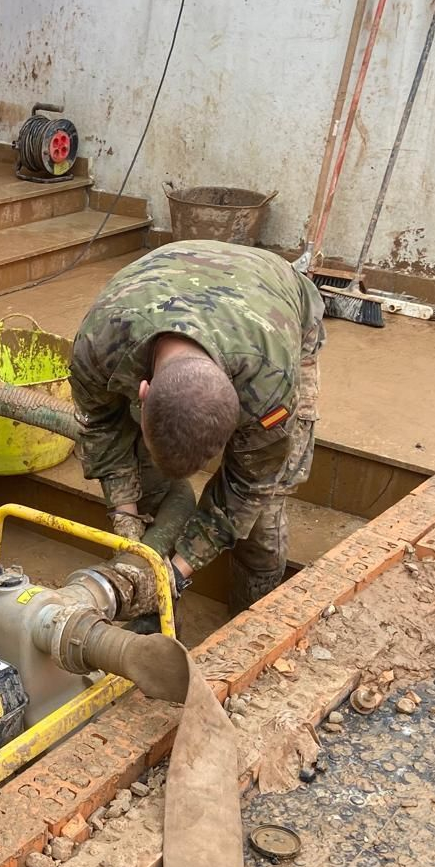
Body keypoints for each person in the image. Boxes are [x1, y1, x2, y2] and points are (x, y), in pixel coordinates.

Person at [70, 240, 326, 615]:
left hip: (274, 294)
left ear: (240, 413)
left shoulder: (269, 386)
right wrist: (125, 516)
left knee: (265, 517)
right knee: (147, 488)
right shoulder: (98, 344)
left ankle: (251, 617)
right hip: (164, 276)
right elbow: (101, 426)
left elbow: (251, 484)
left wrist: (174, 575)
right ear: (141, 392)